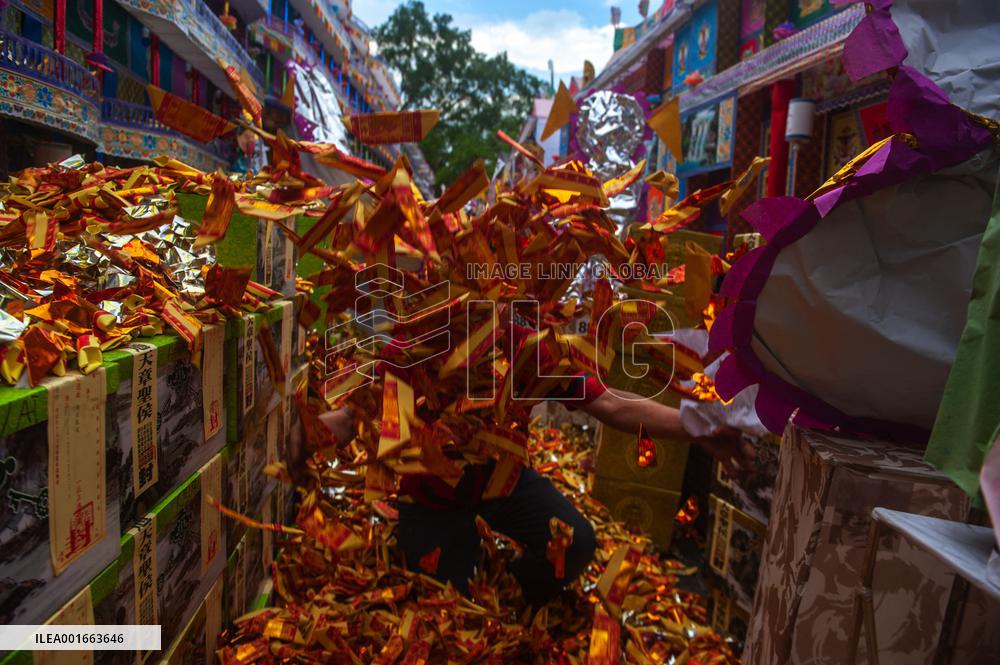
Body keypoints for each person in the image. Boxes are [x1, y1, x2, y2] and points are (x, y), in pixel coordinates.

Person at [312, 374, 755, 608]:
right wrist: (311, 434)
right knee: (448, 615)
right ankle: (469, 578)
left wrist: (697, 428)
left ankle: (517, 590)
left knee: (576, 543)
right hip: (432, 502)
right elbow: (361, 415)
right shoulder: (426, 338)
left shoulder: (525, 343)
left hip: (503, 483)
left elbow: (611, 405)